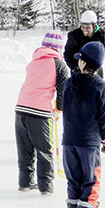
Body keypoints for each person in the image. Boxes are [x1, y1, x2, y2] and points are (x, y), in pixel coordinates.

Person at [62, 41, 105, 208]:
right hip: (89, 143)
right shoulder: (102, 87)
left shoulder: (68, 83)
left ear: (83, 62)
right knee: (91, 181)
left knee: (74, 180)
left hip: (69, 141)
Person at [15, 31, 68, 195]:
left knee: (25, 150)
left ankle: (25, 183)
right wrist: (58, 110)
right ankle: (46, 187)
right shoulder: (59, 65)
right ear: (59, 49)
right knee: (45, 151)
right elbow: (62, 92)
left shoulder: (32, 62)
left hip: (20, 109)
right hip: (39, 112)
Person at [63, 10, 105, 83]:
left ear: (94, 26)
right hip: (78, 71)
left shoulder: (101, 35)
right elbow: (67, 54)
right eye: (83, 27)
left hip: (96, 71)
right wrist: (75, 68)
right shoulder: (74, 36)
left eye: (88, 28)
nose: (84, 30)